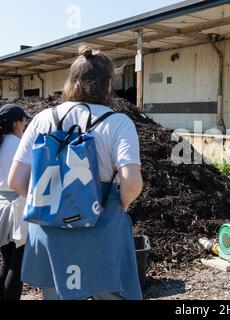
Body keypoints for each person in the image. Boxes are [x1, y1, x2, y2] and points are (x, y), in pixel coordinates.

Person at [8, 47, 144, 300]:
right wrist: (119, 205)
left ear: (71, 82)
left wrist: (49, 202)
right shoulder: (119, 123)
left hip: (50, 232)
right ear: (109, 84)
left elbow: (15, 180)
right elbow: (132, 183)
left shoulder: (41, 119)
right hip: (102, 224)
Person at [0, 104, 30, 300]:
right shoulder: (19, 146)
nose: (26, 125)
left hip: (0, 205)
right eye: (24, 121)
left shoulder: (1, 143)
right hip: (16, 207)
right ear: (16, 123)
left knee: (5, 261)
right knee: (17, 265)